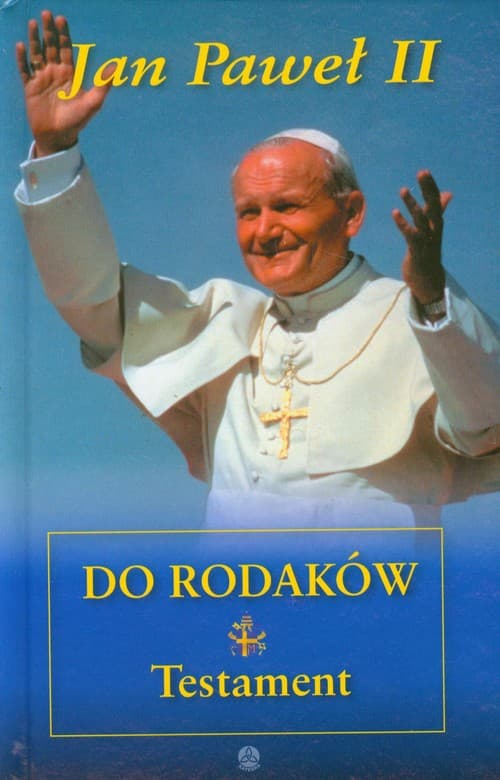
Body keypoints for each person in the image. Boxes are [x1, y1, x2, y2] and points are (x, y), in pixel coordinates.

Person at [15, 12, 500, 527]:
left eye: (287, 206)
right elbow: (93, 303)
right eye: (249, 212)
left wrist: (432, 298)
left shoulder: (418, 317)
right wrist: (55, 154)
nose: (265, 230)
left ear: (351, 213)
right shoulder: (222, 320)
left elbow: (486, 428)